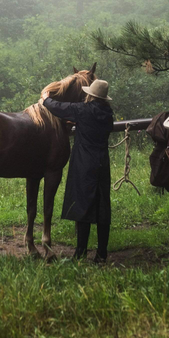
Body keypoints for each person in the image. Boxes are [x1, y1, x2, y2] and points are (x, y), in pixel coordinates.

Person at [41, 79, 114, 263]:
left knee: (83, 205)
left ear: (90, 94)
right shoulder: (107, 113)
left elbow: (57, 107)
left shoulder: (83, 110)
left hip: (84, 162)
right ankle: (102, 253)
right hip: (102, 162)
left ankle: (80, 253)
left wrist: (45, 99)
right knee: (102, 206)